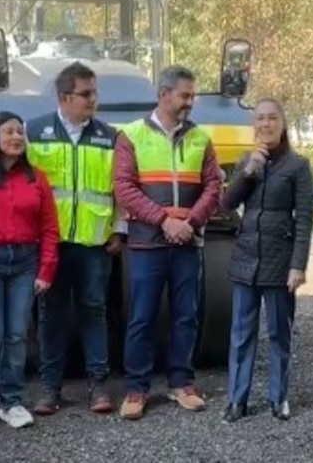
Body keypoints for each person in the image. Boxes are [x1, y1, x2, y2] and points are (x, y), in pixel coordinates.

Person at [113, 65, 223, 420]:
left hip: (187, 243)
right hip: (148, 244)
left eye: (192, 96)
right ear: (164, 94)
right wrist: (165, 221)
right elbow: (125, 188)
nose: (190, 102)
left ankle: (182, 383)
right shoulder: (130, 136)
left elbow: (213, 187)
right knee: (142, 317)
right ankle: (136, 389)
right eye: (185, 95)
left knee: (186, 316)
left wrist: (188, 222)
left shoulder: (201, 139)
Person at [26, 63, 123, 416]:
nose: (93, 100)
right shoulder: (33, 133)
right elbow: (24, 188)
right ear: (64, 96)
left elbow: (120, 189)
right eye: (86, 94)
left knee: (94, 312)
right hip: (49, 246)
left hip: (95, 244)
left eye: (95, 93)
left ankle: (99, 386)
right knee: (50, 314)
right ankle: (50, 387)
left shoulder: (109, 136)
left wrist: (118, 230)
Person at [0, 111, 59, 432]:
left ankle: (11, 402)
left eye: (20, 131)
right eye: (9, 132)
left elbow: (49, 227)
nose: (16, 137)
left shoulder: (37, 178)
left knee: (17, 334)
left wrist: (46, 269)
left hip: (25, 263)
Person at [221, 97, 313, 423]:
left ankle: (279, 398)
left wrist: (298, 264)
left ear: (283, 123)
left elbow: (304, 219)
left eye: (272, 117)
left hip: (279, 259)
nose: (265, 124)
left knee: (279, 333)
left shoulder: (298, 166)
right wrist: (249, 172)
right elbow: (228, 204)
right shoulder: (248, 160)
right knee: (241, 332)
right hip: (247, 258)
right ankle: (237, 399)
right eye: (259, 119)